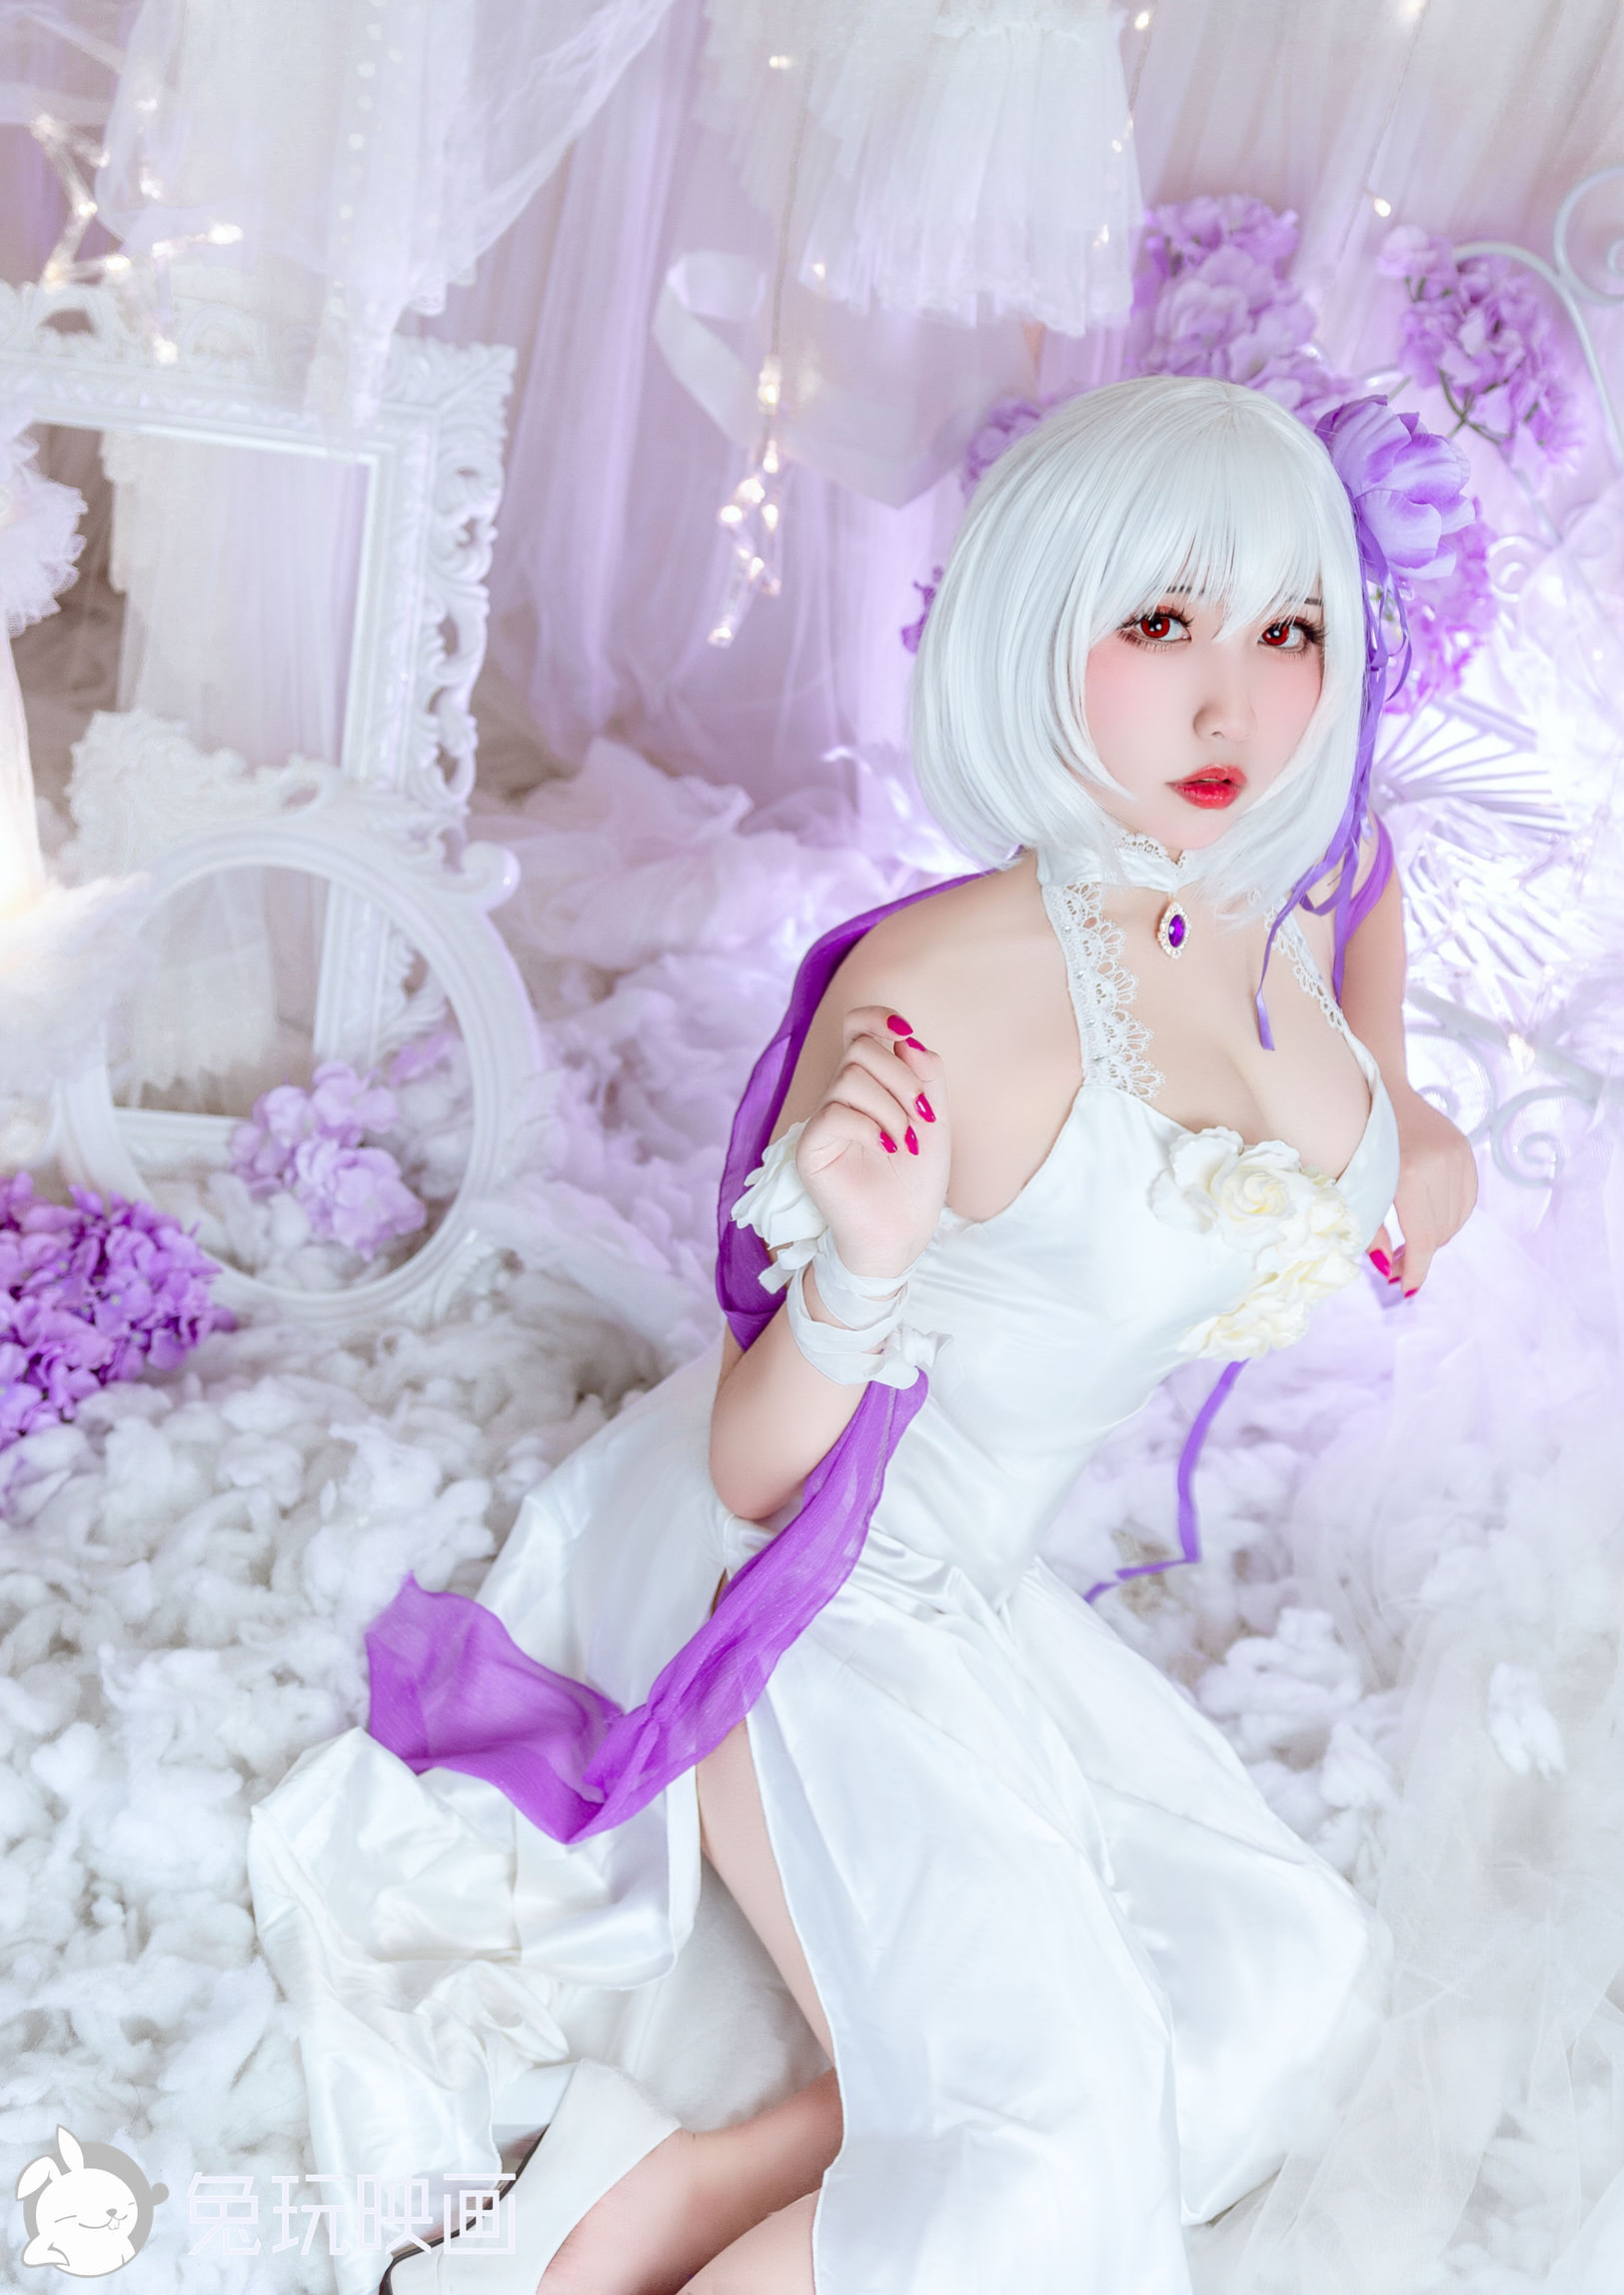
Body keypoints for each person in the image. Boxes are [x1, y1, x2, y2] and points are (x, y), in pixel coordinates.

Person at [248, 374, 1477, 2295]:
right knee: (1045, 2184)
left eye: (1288, 629)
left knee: (1264, 2008)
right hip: (803, 1586)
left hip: (981, 1589)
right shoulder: (946, 991)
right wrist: (862, 1272)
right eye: (1163, 623)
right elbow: (753, 1472)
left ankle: (656, 2188)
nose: (1235, 705)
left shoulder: (1280, 891)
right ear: (1041, 627)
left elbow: (1379, 1069)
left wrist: (1411, 1108)